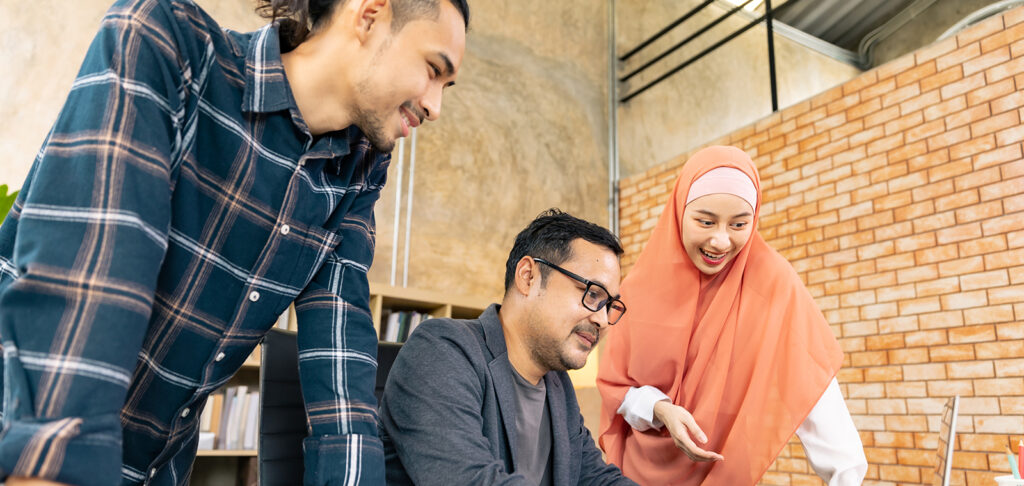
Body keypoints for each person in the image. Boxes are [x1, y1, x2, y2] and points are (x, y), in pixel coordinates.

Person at [0, 0, 468, 484]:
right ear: (369, 14)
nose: (435, 107)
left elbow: (340, 352)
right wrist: (50, 464)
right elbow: (92, 278)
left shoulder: (359, 166)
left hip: (152, 466)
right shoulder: (168, 42)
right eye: (434, 70)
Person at [596, 146, 867, 485]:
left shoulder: (773, 285)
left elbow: (816, 391)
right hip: (635, 475)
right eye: (705, 221)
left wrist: (846, 476)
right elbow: (617, 388)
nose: (721, 241)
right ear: (679, 212)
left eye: (739, 224)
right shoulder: (639, 289)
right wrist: (661, 409)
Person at [378, 209, 638, 486]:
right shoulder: (441, 350)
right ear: (528, 277)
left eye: (610, 305)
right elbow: (471, 480)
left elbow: (597, 478)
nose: (602, 320)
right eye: (593, 294)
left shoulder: (558, 385)